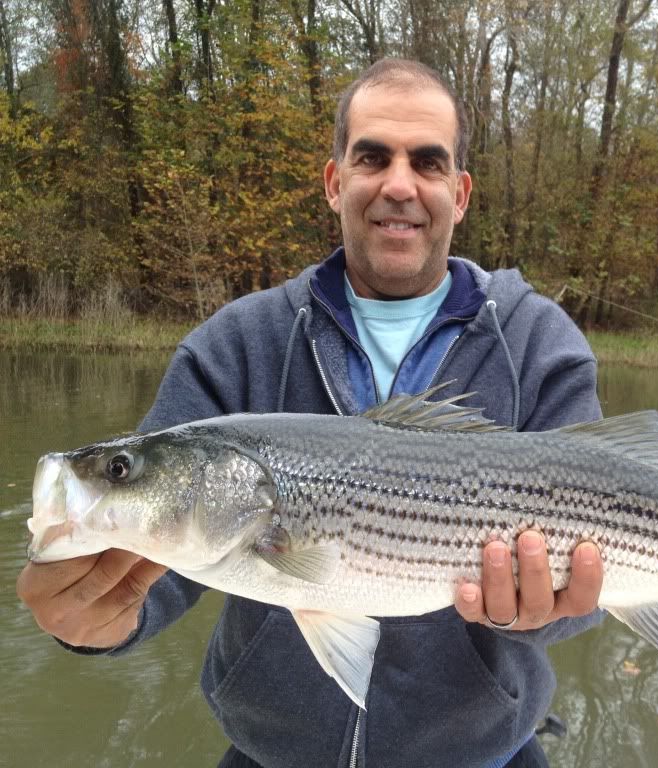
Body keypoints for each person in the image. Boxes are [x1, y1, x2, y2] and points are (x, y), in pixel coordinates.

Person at [17, 58, 606, 768]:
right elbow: (166, 564)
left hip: (487, 755)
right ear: (334, 182)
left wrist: (548, 611)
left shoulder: (539, 343)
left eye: (427, 162)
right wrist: (97, 617)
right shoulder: (235, 343)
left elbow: (600, 582)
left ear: (460, 193)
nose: (399, 184)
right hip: (270, 754)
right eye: (372, 158)